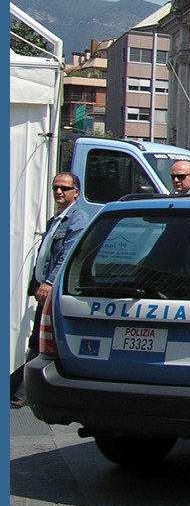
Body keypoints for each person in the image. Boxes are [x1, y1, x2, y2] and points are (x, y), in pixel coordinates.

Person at [11, 172, 90, 406]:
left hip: (53, 291)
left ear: (76, 193)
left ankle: (23, 393)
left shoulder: (77, 220)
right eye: (56, 187)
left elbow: (66, 256)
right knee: (37, 342)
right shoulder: (57, 219)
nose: (58, 192)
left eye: (64, 188)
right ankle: (21, 390)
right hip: (43, 289)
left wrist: (49, 283)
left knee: (42, 343)